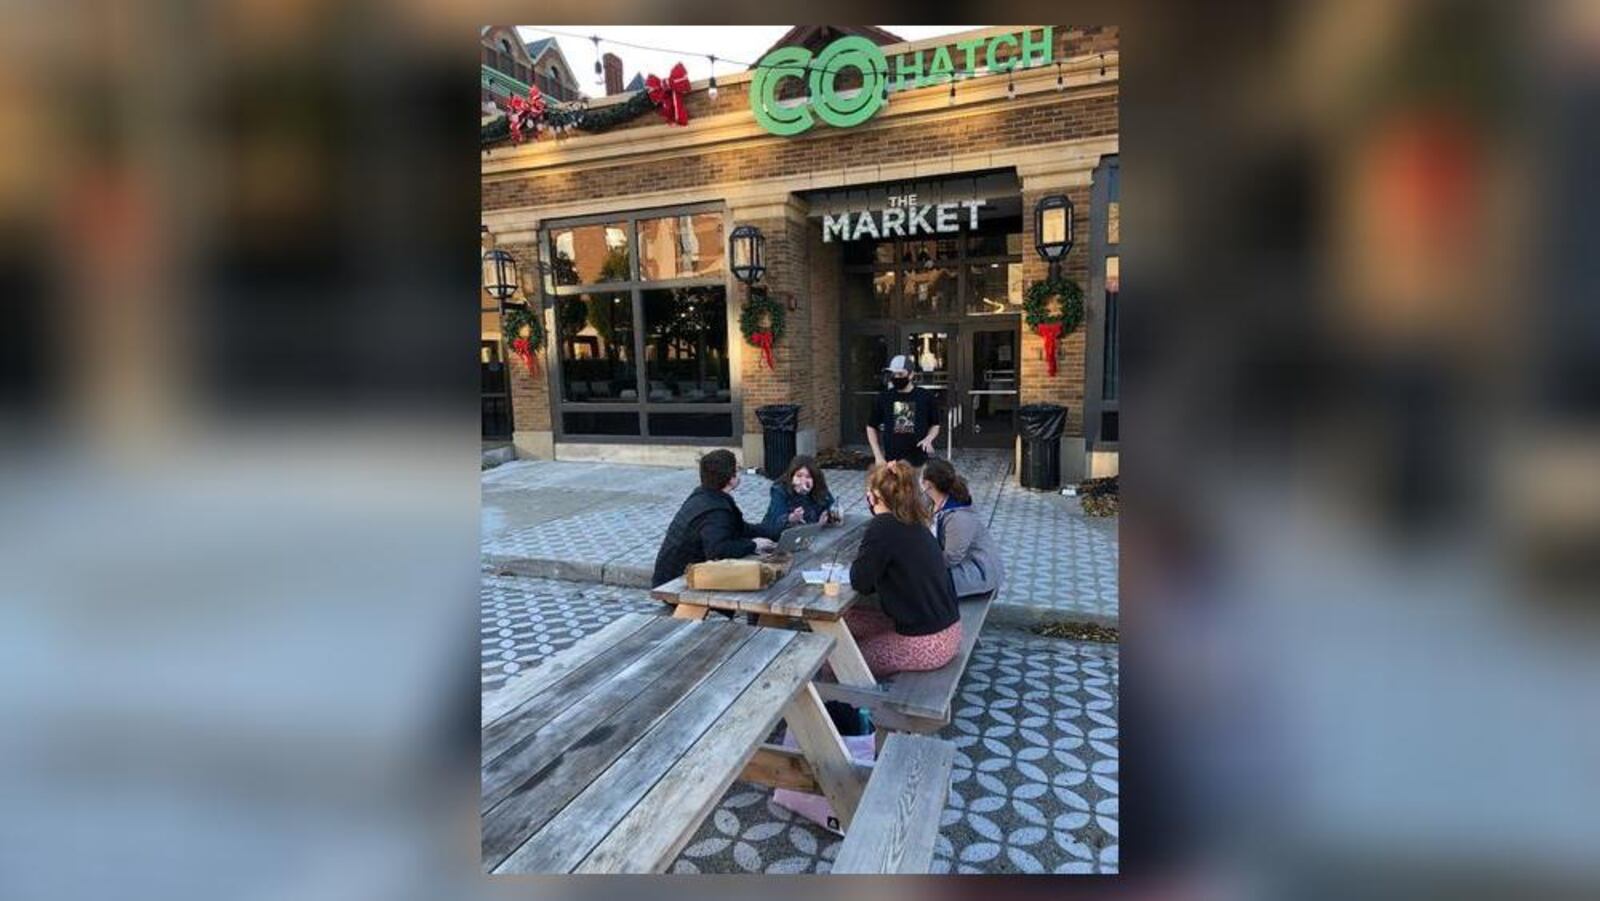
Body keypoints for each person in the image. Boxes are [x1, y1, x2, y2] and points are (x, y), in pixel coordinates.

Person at [843, 461, 962, 678]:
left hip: (928, 643)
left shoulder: (882, 527)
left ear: (873, 496)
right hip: (949, 630)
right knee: (847, 620)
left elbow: (860, 582)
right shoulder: (915, 522)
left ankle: (844, 708)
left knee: (837, 662)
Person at [651, 449, 779, 588]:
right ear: (731, 478)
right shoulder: (716, 512)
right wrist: (753, 545)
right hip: (675, 582)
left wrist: (777, 531)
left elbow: (741, 528)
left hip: (672, 576)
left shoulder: (706, 495)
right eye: (737, 468)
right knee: (758, 581)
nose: (740, 470)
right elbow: (718, 551)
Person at [922, 458, 1006, 598]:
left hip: (977, 571)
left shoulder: (958, 517)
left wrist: (920, 563)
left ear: (927, 484)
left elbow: (951, 558)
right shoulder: (931, 500)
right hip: (955, 563)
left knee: (920, 581)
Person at [866, 355, 942, 473]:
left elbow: (935, 424)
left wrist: (929, 439)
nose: (896, 377)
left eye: (900, 374)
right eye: (893, 374)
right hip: (891, 463)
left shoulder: (925, 396)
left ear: (911, 375)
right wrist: (878, 456)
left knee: (916, 491)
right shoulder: (883, 397)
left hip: (918, 463)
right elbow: (871, 426)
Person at [761, 455, 842, 533]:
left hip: (813, 534)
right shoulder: (780, 490)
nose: (803, 480)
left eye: (808, 477)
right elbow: (776, 519)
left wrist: (829, 516)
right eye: (799, 476)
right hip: (778, 535)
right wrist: (791, 518)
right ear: (792, 477)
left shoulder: (818, 488)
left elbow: (831, 507)